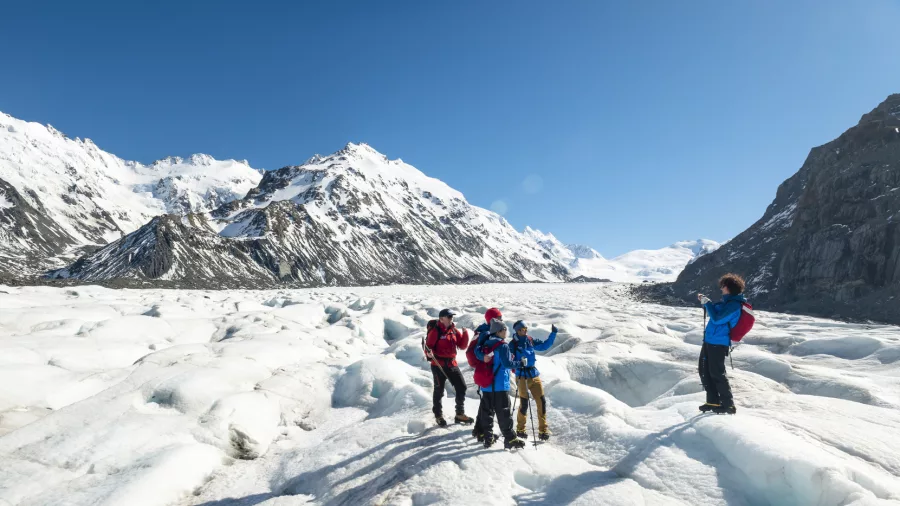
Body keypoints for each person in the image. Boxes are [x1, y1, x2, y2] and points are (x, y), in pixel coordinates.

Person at [697, 273, 747, 415]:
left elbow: (718, 319)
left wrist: (707, 304)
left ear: (728, 287)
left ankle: (728, 405)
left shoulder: (734, 305)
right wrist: (706, 302)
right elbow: (716, 314)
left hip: (718, 343)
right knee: (705, 370)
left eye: (723, 286)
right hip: (710, 341)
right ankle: (713, 401)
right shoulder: (726, 303)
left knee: (717, 373)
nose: (721, 289)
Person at [474, 319, 527, 449]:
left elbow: (477, 353)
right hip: (499, 385)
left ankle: (488, 437)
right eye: (504, 329)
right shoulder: (502, 346)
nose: (506, 331)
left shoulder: (486, 343)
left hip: (486, 385)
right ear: (499, 331)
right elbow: (507, 364)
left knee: (487, 412)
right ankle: (510, 438)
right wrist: (520, 363)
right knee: (504, 412)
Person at [425, 308, 474, 426]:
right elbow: (428, 347)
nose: (451, 318)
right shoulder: (435, 331)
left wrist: (465, 334)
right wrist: (429, 354)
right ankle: (438, 415)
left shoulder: (453, 330)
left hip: (452, 364)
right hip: (438, 365)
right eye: (449, 317)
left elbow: (462, 346)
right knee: (439, 390)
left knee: (461, 387)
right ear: (442, 319)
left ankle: (459, 414)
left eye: (452, 316)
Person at [510, 320, 558, 441]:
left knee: (541, 401)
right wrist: (517, 366)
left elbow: (544, 346)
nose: (525, 331)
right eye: (523, 329)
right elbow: (508, 361)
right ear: (517, 330)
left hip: (533, 374)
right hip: (521, 376)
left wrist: (553, 333)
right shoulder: (513, 344)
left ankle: (543, 430)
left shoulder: (529, 340)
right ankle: (520, 429)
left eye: (526, 329)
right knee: (524, 403)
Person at [471, 307, 502, 443]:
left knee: (485, 403)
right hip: (487, 370)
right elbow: (479, 351)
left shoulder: (484, 330)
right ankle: (483, 433)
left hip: (485, 370)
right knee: (488, 404)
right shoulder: (487, 332)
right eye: (499, 318)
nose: (501, 320)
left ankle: (479, 430)